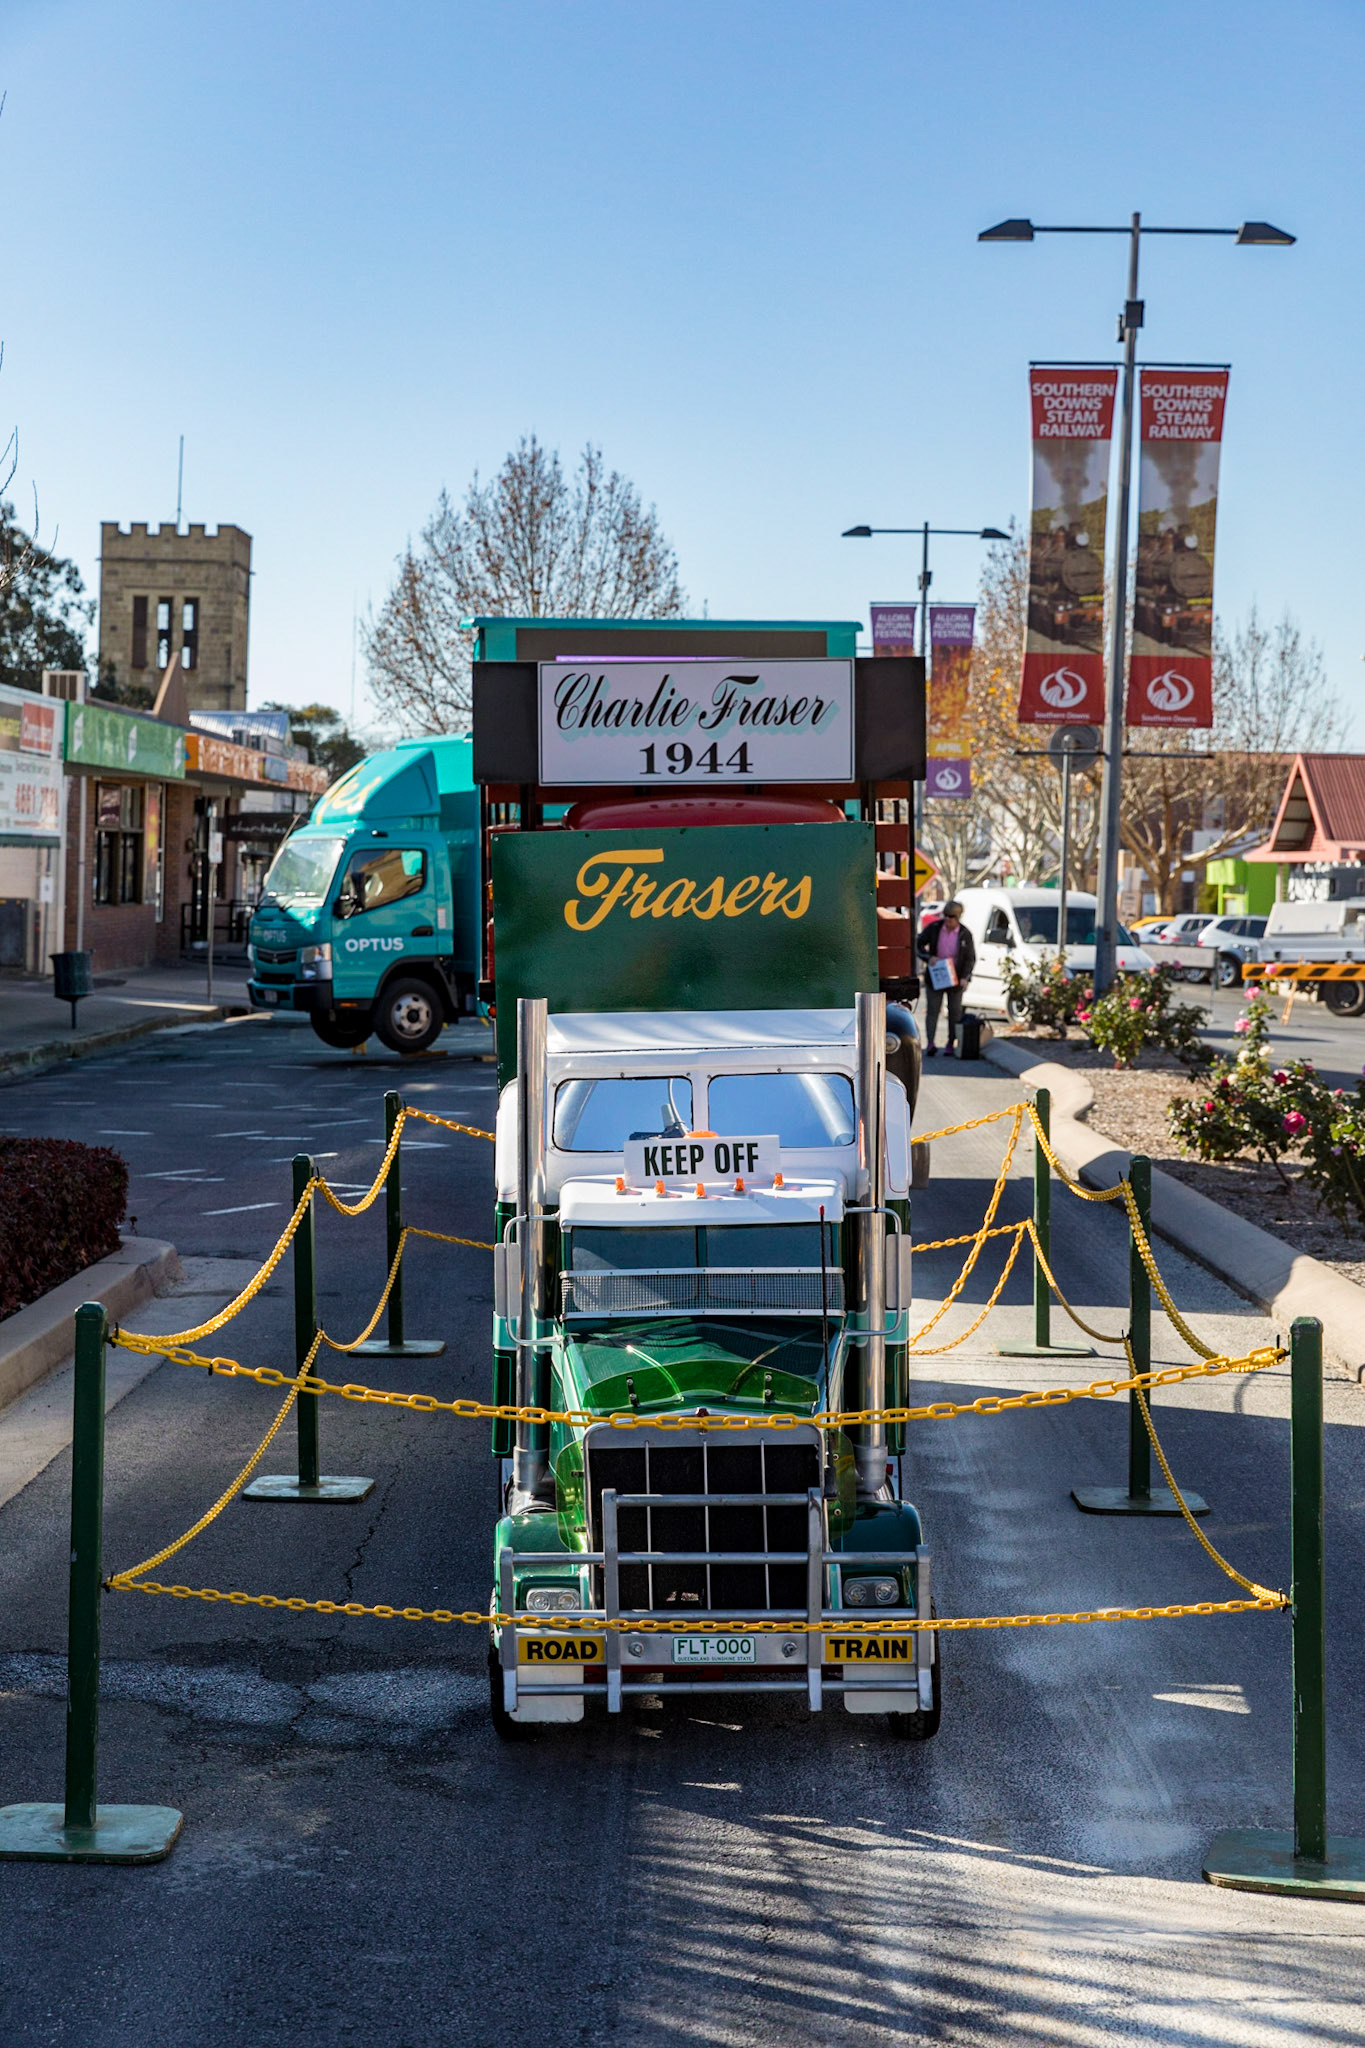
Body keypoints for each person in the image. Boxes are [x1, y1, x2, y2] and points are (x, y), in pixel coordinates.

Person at [916, 899, 975, 1057]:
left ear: (958, 917)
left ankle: (951, 1043)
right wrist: (929, 958)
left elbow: (970, 958)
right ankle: (930, 1043)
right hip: (936, 976)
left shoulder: (965, 934)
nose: (947, 919)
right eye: (946, 916)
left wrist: (965, 977)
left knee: (955, 1012)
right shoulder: (934, 928)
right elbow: (918, 944)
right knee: (933, 1010)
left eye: (951, 916)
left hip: (955, 978)